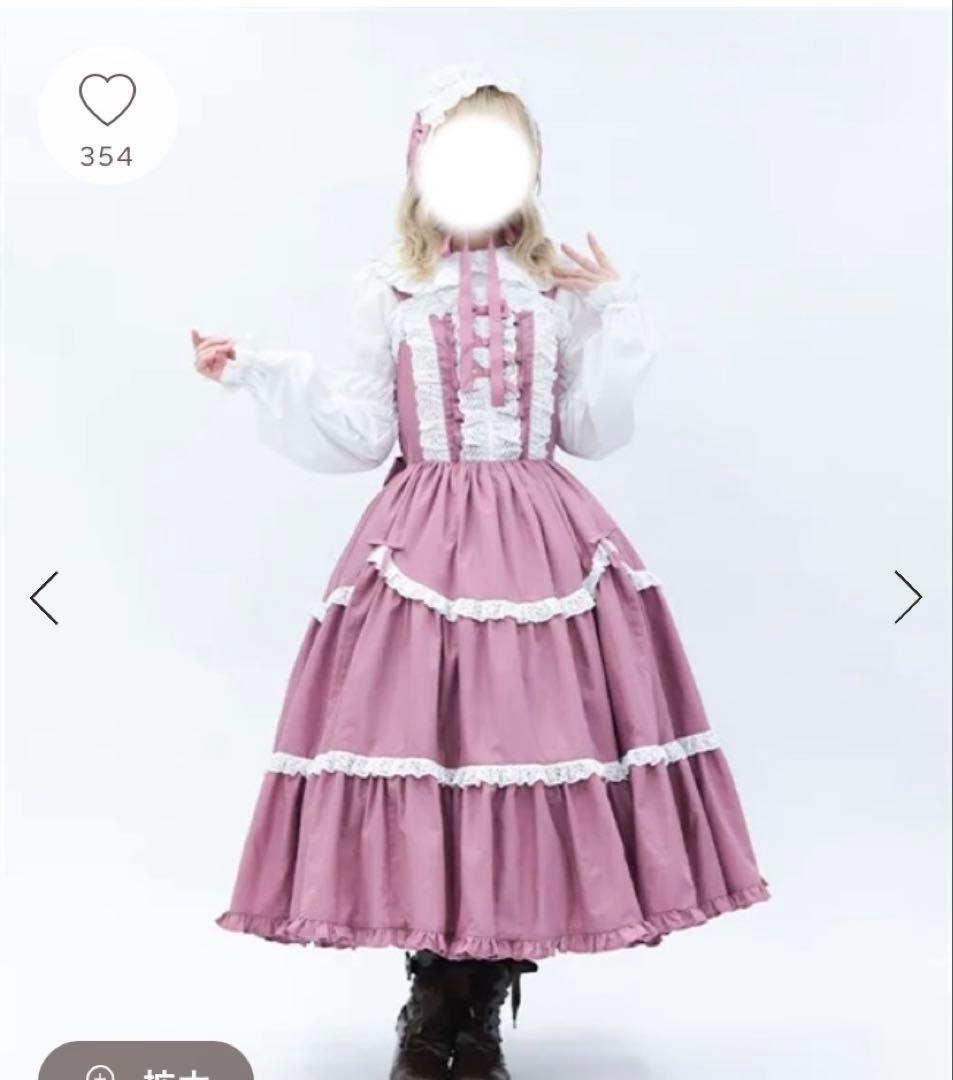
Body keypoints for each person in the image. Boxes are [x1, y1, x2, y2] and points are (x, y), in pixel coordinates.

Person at [193, 62, 769, 1080]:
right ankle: (431, 1002)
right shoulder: (391, 287)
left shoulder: (553, 287)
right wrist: (259, 373)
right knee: (432, 750)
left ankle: (482, 1003)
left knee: (527, 756)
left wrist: (616, 315)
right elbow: (363, 428)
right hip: (421, 543)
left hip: (542, 543)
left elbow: (592, 427)